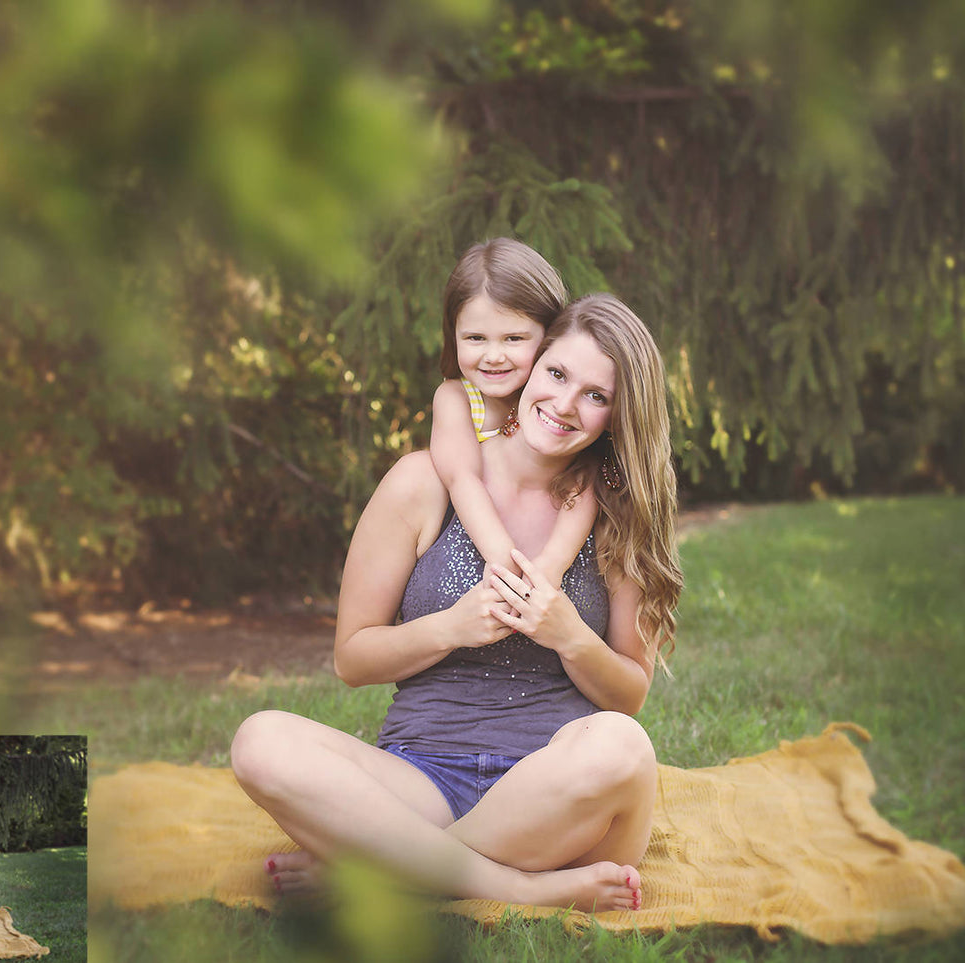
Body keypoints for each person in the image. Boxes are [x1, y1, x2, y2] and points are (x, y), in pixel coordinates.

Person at [232, 292, 683, 912]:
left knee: (624, 748)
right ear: (532, 367)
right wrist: (450, 627)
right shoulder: (423, 483)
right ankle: (512, 886)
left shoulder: (617, 516)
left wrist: (569, 634)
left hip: (557, 795)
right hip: (420, 778)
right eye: (556, 374)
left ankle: (387, 866)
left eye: (597, 395)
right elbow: (352, 661)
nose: (565, 405)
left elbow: (629, 696)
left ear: (619, 414)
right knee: (261, 740)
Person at [430, 238, 599, 586]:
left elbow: (585, 480)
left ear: (550, 335)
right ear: (454, 335)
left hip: (547, 539)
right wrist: (504, 560)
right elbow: (462, 477)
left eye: (514, 339)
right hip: (487, 546)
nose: (494, 356)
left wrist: (550, 569)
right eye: (476, 338)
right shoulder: (457, 398)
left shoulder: (551, 400)